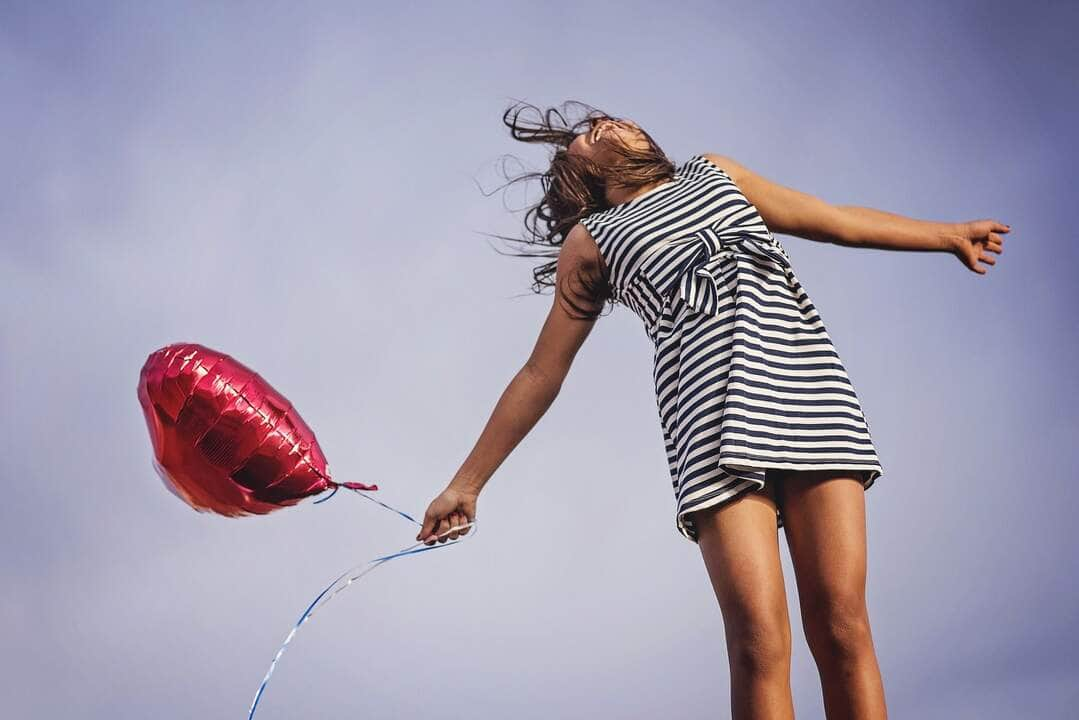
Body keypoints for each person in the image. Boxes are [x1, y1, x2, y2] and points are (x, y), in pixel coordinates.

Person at [415, 100, 1009, 719]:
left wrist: (945, 235)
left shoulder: (715, 175)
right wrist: (467, 483)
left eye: (610, 117)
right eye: (589, 133)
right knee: (757, 641)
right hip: (708, 428)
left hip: (810, 396)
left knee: (841, 623)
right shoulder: (591, 242)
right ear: (578, 169)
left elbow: (831, 220)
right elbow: (541, 372)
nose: (608, 124)